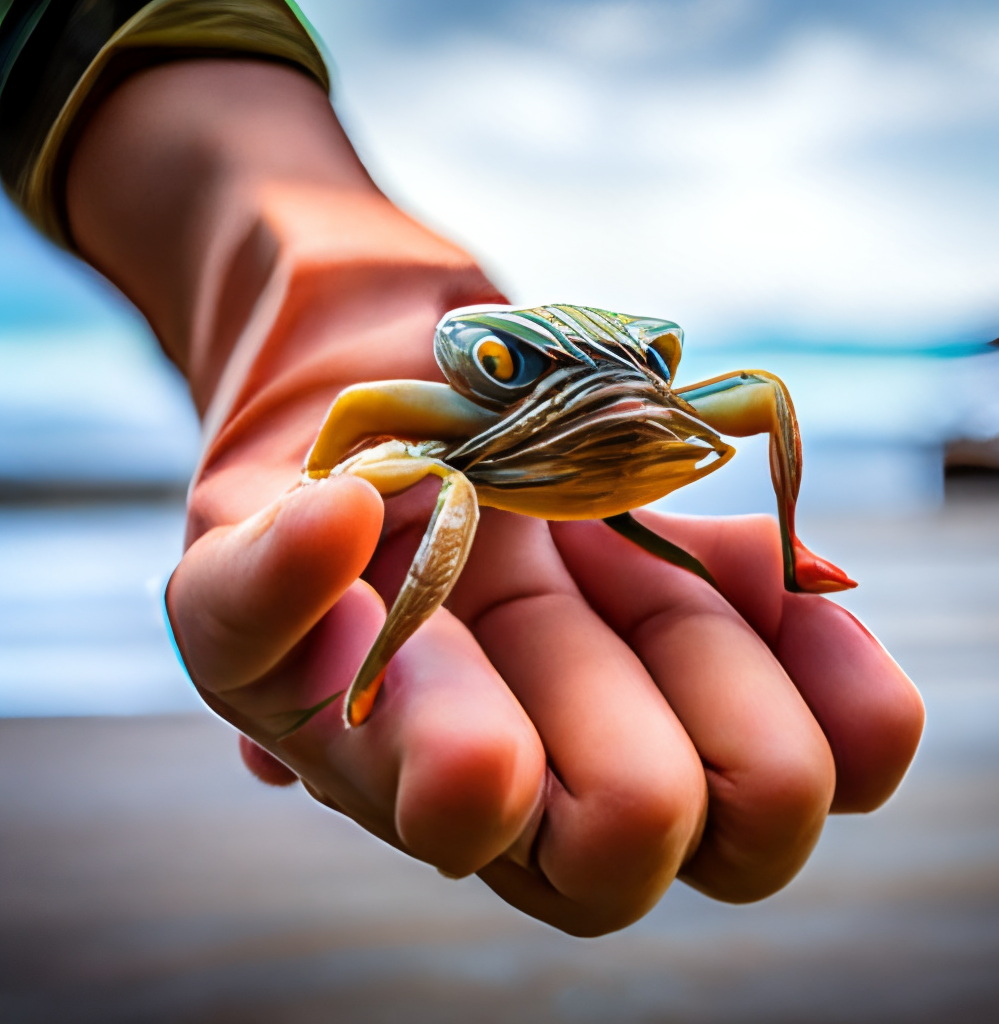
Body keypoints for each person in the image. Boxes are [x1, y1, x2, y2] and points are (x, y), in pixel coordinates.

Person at [0, 1, 924, 937]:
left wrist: (268, 254)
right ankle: (779, 551)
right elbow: (365, 412)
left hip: (602, 444)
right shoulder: (435, 435)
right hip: (530, 456)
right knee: (450, 507)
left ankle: (790, 551)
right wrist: (274, 287)